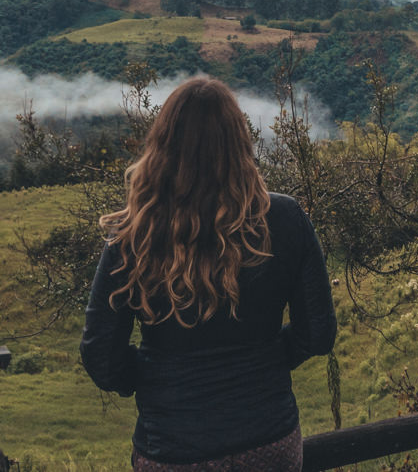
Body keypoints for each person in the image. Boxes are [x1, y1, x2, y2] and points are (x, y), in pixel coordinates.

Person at [81, 77, 337, 471]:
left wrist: (149, 379)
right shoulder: (284, 219)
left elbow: (100, 355)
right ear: (240, 141)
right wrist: (268, 361)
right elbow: (318, 333)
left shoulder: (133, 237)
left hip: (173, 448)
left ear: (163, 145)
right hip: (269, 440)